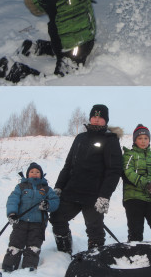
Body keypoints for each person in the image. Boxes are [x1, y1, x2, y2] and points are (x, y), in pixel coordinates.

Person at [49, 104, 122, 253]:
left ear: (106, 120)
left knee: (95, 230)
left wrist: (104, 196)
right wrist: (59, 187)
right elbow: (68, 165)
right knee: (57, 218)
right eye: (94, 116)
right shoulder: (80, 138)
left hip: (94, 195)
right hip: (72, 191)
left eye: (100, 117)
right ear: (89, 118)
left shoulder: (110, 140)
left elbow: (114, 171)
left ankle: (94, 260)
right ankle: (64, 251)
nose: (96, 119)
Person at [2, 162, 60, 272]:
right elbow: (13, 200)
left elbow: (55, 201)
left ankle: (29, 267)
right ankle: (9, 266)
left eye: (37, 172)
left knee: (33, 246)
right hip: (21, 221)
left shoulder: (46, 189)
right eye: (32, 172)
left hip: (38, 224)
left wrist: (47, 204)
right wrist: (12, 213)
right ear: (27, 174)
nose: (34, 174)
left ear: (42, 175)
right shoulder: (21, 187)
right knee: (15, 243)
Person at [122, 124, 151, 242]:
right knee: (136, 232)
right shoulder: (129, 154)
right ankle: (134, 256)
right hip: (133, 198)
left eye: (146, 138)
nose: (143, 141)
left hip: (149, 198)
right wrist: (147, 184)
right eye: (140, 138)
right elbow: (128, 172)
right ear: (135, 140)